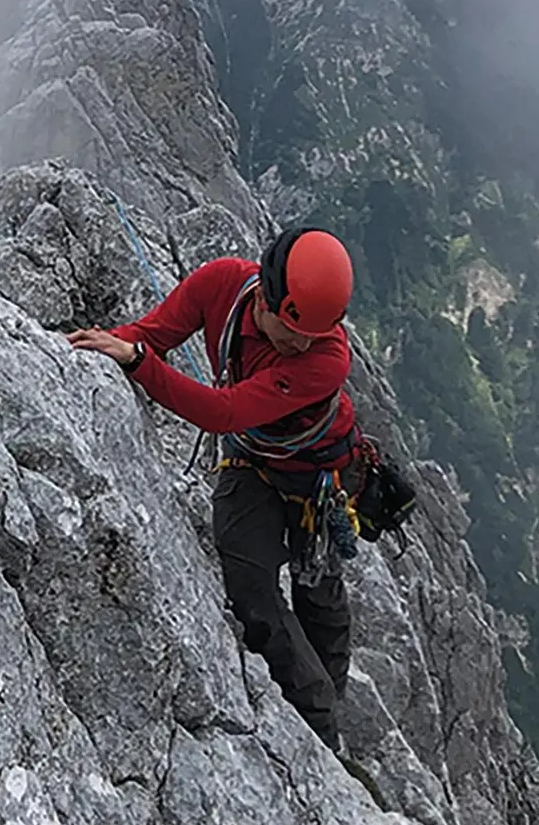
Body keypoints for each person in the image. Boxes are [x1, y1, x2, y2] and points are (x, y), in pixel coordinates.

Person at [68, 227, 359, 750]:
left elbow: (222, 412)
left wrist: (138, 362)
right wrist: (91, 346)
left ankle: (329, 720)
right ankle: (317, 715)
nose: (302, 344)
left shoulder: (327, 357)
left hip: (314, 474)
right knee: (251, 588)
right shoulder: (221, 284)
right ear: (266, 297)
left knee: (319, 591)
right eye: (294, 331)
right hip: (254, 459)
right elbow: (150, 335)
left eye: (314, 334)